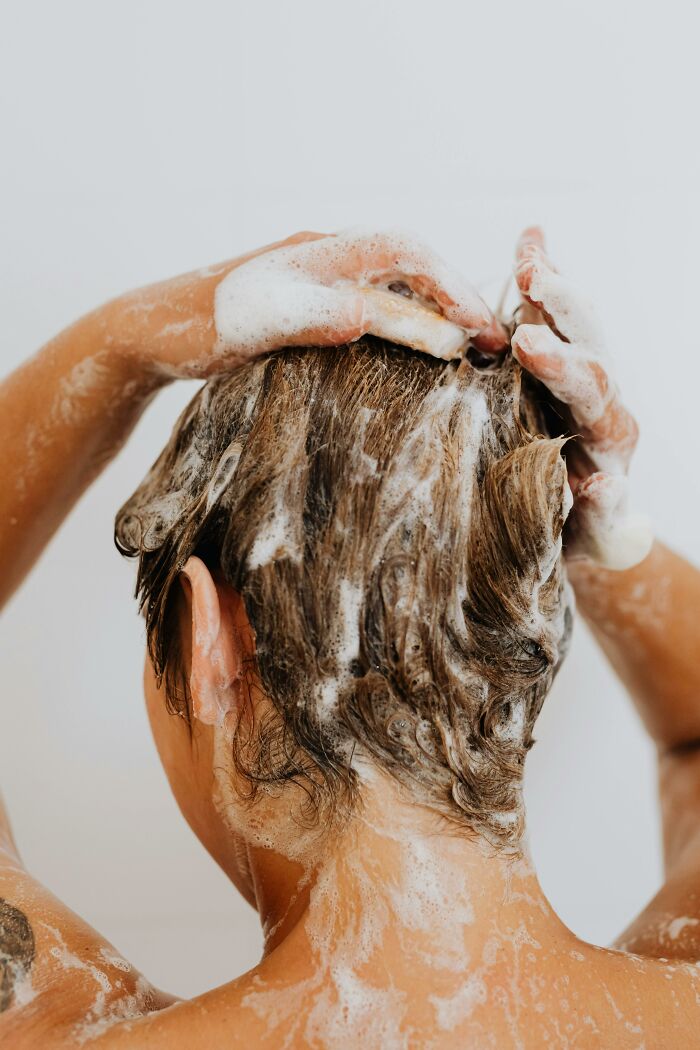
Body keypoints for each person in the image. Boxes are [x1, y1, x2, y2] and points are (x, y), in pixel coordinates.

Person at [0, 227, 698, 1049]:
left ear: (208, 639)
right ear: (521, 628)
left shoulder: (49, 1026)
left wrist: (124, 347)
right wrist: (605, 534)